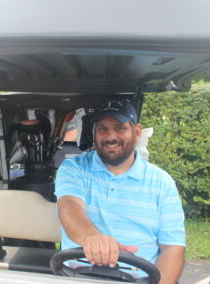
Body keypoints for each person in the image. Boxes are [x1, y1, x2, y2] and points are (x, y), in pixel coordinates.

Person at [55, 99, 185, 284]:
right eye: (102, 128)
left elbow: (172, 247)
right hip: (76, 278)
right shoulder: (74, 168)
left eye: (119, 128)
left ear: (137, 132)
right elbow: (69, 207)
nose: (110, 137)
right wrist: (92, 238)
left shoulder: (162, 182)